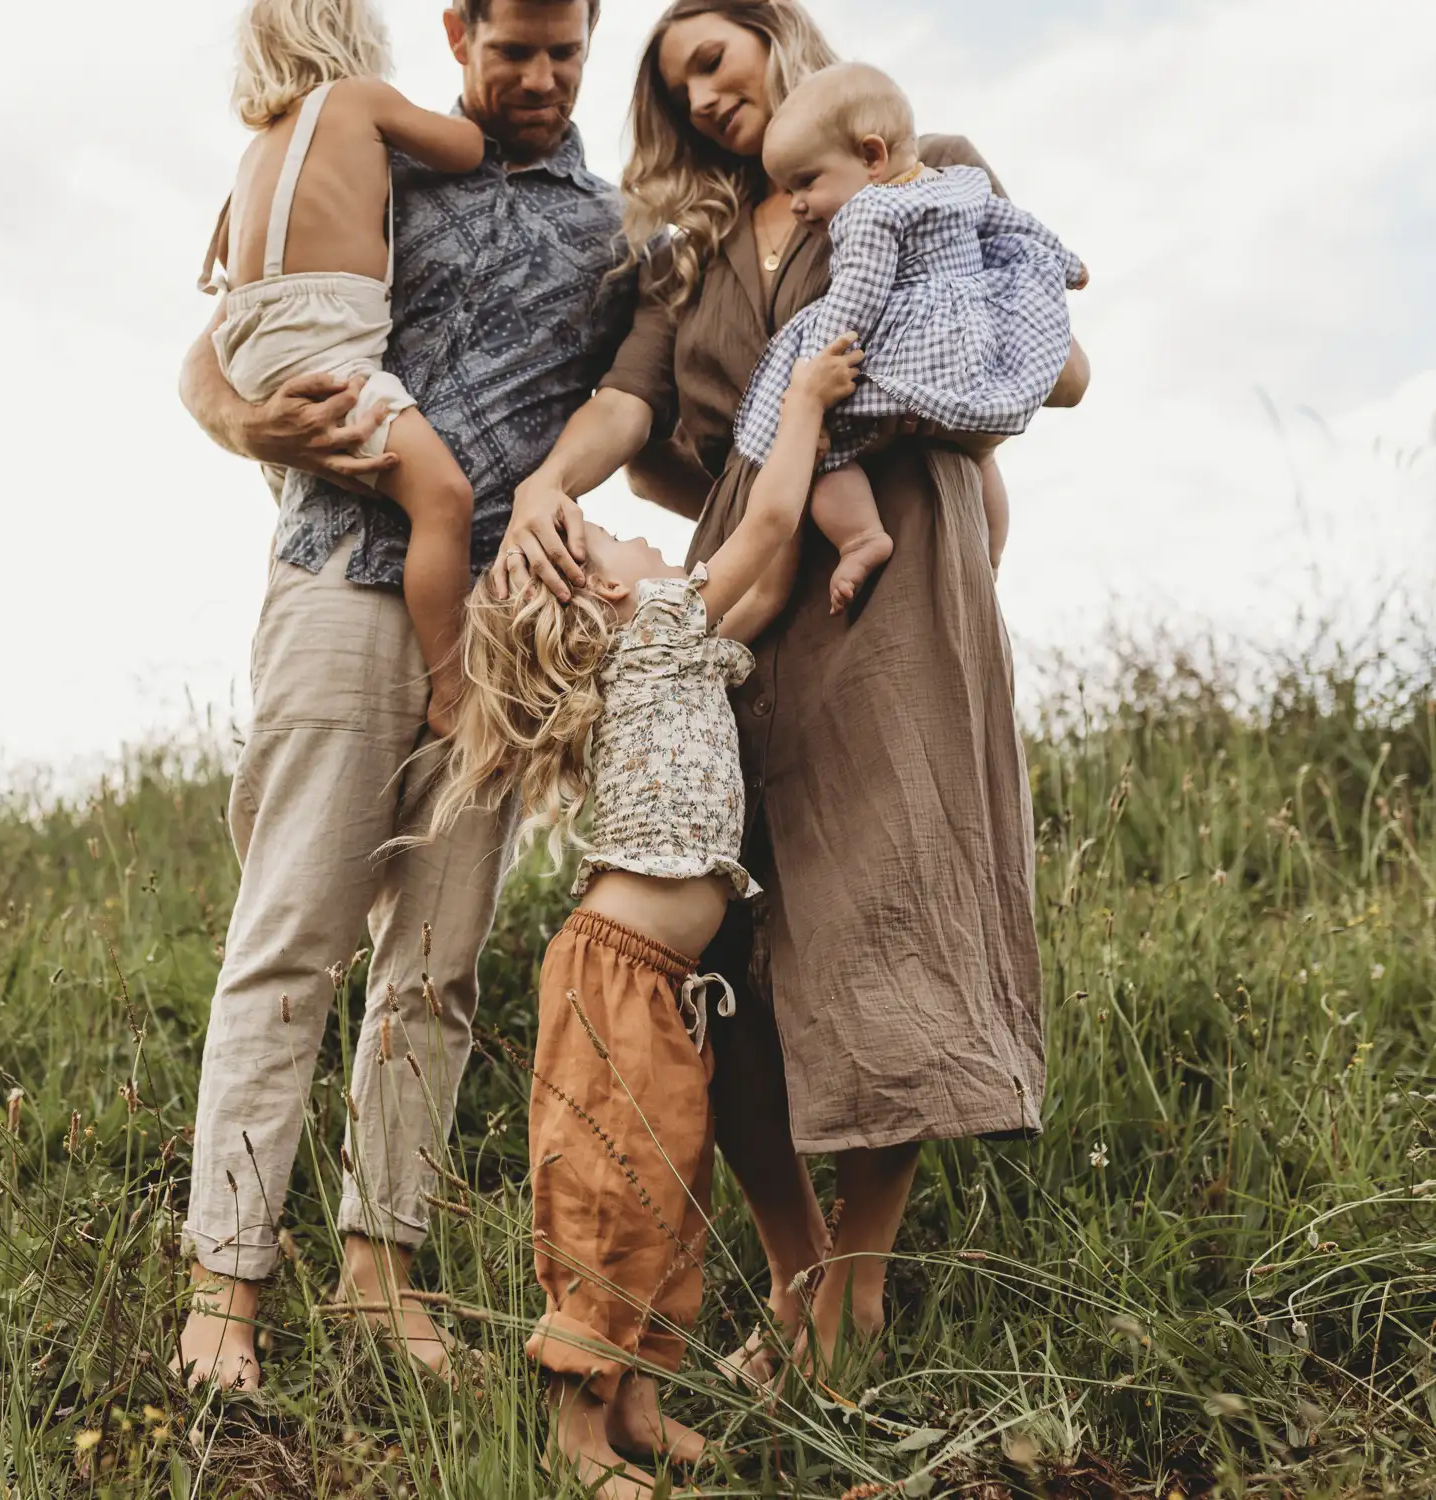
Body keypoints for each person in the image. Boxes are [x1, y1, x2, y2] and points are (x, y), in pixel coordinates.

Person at [496, 0, 1090, 1383]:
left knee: (883, 910)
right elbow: (631, 411)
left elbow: (1049, 362)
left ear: (778, 38)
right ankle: (790, 1264)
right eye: (675, 83)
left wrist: (876, 398)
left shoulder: (915, 167)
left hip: (890, 582)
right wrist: (545, 481)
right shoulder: (686, 254)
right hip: (747, 583)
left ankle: (858, 1291)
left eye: (715, 56)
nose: (702, 95)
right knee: (733, 951)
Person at [173, 0, 633, 1394]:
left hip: (493, 627)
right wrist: (235, 417)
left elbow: (641, 404)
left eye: (564, 53)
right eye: (514, 52)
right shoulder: (367, 146)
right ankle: (224, 1288)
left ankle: (383, 1273)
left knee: (432, 970)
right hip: (331, 582)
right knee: (290, 937)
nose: (540, 78)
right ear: (457, 32)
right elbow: (222, 333)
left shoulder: (607, 233)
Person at [433, 336, 863, 1495]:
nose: (653, 538)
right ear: (611, 594)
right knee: (609, 1196)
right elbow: (764, 538)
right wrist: (809, 407)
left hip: (657, 981)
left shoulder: (674, 644)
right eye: (626, 537)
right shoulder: (655, 635)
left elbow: (762, 585)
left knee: (670, 1193)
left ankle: (637, 1401)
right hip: (614, 974)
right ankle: (576, 1440)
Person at [200, 0, 489, 728]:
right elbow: (466, 148)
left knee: (305, 491)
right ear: (358, 39)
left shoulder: (256, 152)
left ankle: (285, 630)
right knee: (444, 499)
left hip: (250, 348)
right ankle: (452, 691)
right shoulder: (360, 99)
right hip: (324, 343)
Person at [737, 61, 1087, 613]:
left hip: (912, 351)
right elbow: (1010, 223)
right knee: (982, 458)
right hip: (970, 341)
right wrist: (1069, 264)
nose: (796, 203)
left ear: (871, 157)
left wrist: (815, 379)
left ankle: (860, 537)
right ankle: (989, 557)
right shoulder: (955, 184)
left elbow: (859, 297)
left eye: (806, 182)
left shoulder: (869, 212)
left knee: (825, 456)